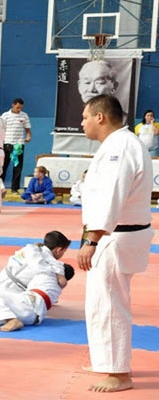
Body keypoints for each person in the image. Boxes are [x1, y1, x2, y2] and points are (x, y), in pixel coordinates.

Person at [77, 94, 153, 393]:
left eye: (85, 117)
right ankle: (107, 362)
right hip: (120, 234)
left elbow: (111, 195)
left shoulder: (119, 147)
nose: (82, 122)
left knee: (109, 304)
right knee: (101, 302)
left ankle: (119, 373)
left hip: (115, 236)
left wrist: (91, 239)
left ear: (100, 117)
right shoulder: (121, 144)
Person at [0, 231, 70, 331]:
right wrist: (59, 274)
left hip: (4, 281)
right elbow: (62, 282)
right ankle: (1, 317)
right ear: (59, 250)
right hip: (17, 291)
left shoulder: (30, 247)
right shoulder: (52, 263)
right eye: (64, 251)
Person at [1, 98, 32, 193]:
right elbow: (1, 129)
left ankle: (15, 188)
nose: (19, 109)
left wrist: (28, 136)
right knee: (3, 166)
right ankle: (0, 187)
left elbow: (27, 129)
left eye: (20, 108)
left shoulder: (24, 115)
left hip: (19, 144)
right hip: (7, 143)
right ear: (13, 105)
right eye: (17, 107)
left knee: (18, 167)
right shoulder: (5, 115)